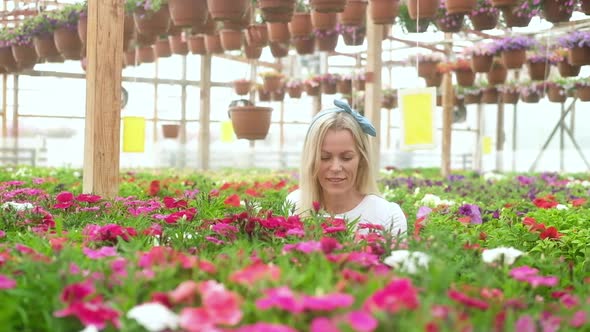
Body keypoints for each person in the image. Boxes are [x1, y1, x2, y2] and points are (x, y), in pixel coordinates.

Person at [286, 99, 407, 236]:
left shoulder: (388, 216)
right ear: (310, 159)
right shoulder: (295, 204)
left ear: (361, 159)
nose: (336, 168)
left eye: (346, 158)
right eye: (324, 157)